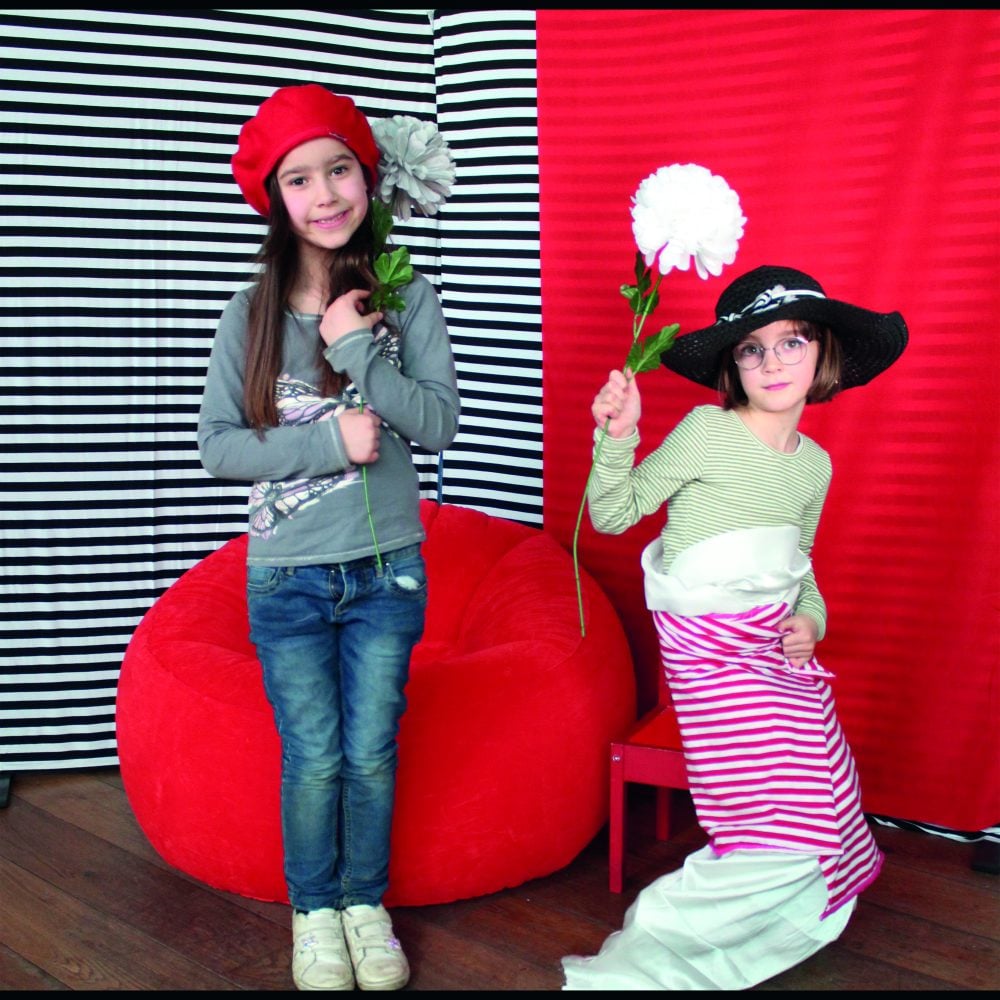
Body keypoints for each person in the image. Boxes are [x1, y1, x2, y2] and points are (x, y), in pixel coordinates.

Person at [562, 265, 908, 990]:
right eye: (753, 349)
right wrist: (617, 437)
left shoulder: (814, 465)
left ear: (824, 353)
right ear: (732, 364)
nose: (774, 361)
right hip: (714, 663)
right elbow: (614, 514)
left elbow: (800, 566)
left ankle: (761, 936)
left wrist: (811, 617)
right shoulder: (705, 433)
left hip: (781, 663)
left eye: (793, 342)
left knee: (830, 801)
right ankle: (658, 944)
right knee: (781, 827)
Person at [197, 84, 460, 992]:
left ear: (368, 177)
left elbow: (438, 424)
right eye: (300, 178)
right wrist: (327, 440)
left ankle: (364, 904)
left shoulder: (406, 295)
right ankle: (315, 913)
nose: (325, 193)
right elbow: (218, 448)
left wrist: (356, 354)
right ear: (276, 198)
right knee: (313, 751)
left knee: (372, 747)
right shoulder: (252, 311)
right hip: (289, 577)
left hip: (388, 570)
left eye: (340, 168)